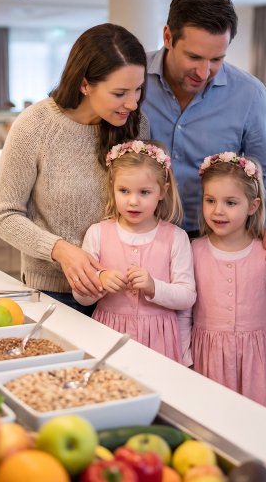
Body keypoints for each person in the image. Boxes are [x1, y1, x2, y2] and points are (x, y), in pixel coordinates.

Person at [0, 23, 149, 315]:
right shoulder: (34, 126)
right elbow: (4, 216)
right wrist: (60, 250)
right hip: (53, 293)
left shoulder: (135, 124)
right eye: (120, 93)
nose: (132, 102)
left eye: (138, 89)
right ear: (85, 84)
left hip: (122, 290)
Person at [144, 0, 266, 275]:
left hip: (215, 243)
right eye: (194, 57)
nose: (204, 71)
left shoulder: (249, 94)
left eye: (217, 59)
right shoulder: (133, 78)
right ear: (167, 37)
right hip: (140, 236)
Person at [189, 152, 266, 413]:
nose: (218, 211)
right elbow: (184, 314)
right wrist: (185, 361)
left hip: (257, 364)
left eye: (230, 203)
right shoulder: (193, 250)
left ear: (253, 205)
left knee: (256, 427)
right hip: (207, 361)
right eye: (210, 200)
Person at [73, 141, 196, 364]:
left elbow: (187, 297)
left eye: (144, 192)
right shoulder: (97, 233)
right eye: (124, 191)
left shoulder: (176, 237)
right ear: (112, 187)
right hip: (108, 336)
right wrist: (100, 280)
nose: (133, 201)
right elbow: (80, 297)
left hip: (160, 342)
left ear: (162, 191)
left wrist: (153, 286)